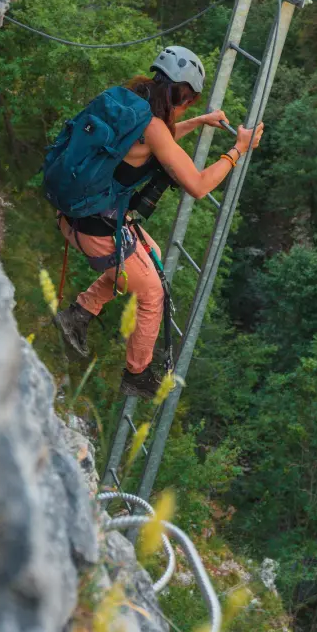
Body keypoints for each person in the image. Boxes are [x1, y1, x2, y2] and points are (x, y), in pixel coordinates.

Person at [55, 45, 264, 399]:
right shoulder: (152, 125)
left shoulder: (129, 101)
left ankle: (78, 315)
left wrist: (198, 123)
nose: (187, 109)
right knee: (152, 291)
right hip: (94, 228)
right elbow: (197, 185)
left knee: (148, 256)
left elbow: (155, 143)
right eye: (189, 104)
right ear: (180, 94)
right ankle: (136, 374)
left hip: (79, 214)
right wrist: (238, 150)